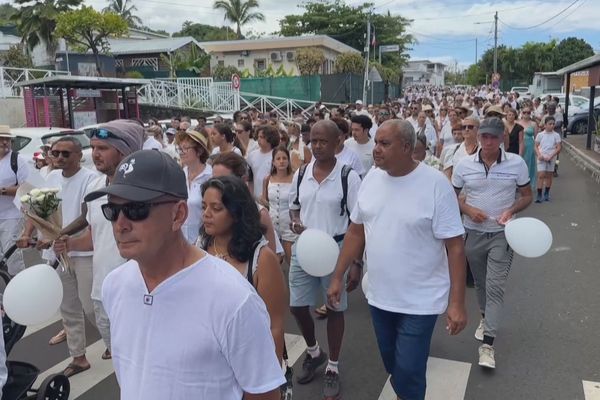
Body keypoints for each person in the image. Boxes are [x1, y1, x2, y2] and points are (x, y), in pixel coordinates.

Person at [84, 150, 285, 399]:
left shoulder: (233, 297)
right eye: (113, 210)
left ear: (178, 214)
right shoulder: (114, 286)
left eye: (136, 210)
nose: (120, 224)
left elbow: (263, 392)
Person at [328, 119, 467, 400]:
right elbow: (356, 232)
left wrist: (457, 303)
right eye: (376, 142)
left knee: (409, 369)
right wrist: (337, 276)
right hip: (380, 296)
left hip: (421, 300)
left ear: (406, 147)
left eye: (384, 143)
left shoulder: (436, 184)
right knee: (394, 366)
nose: (376, 149)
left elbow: (455, 247)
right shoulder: (371, 179)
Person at [53, 120, 143, 361]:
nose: (95, 154)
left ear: (123, 151)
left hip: (136, 290)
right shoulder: (95, 185)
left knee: (142, 358)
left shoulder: (145, 189)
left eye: (103, 148)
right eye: (93, 147)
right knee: (121, 363)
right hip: (102, 291)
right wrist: (68, 243)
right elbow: (95, 235)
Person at [288, 120, 362, 399]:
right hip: (303, 249)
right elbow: (295, 208)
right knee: (296, 306)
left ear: (337, 143)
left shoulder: (348, 177)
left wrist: (356, 263)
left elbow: (358, 224)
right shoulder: (302, 172)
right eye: (313, 141)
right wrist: (296, 222)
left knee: (334, 309)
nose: (317, 146)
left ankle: (332, 366)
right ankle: (314, 352)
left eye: (323, 142)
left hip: (335, 252)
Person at [452, 117, 533, 369]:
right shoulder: (464, 165)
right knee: (481, 283)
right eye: (484, 136)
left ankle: (487, 346)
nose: (487, 141)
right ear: (478, 137)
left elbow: (527, 195)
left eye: (493, 137)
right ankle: (486, 317)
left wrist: (511, 209)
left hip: (502, 234)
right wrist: (467, 209)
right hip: (473, 233)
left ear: (502, 139)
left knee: (495, 286)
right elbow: (451, 196)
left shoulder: (516, 164)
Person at [19, 136, 98, 377]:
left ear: (79, 156)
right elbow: (35, 210)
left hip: (84, 251)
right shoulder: (49, 177)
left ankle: (115, 345)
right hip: (57, 253)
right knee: (68, 308)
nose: (60, 157)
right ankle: (78, 357)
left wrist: (59, 234)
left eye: (66, 153)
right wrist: (28, 232)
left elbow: (87, 216)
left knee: (93, 307)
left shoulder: (90, 179)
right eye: (56, 153)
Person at [200, 175, 286, 366]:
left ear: (236, 213)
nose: (206, 213)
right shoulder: (198, 249)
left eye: (216, 208)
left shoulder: (262, 259)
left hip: (247, 361)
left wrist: (269, 387)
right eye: (203, 206)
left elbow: (274, 327)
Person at [211, 152, 281, 255]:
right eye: (214, 180)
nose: (217, 186)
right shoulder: (209, 211)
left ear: (242, 180)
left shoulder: (260, 214)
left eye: (224, 180)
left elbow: (273, 256)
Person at [0, 125, 29, 275]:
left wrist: (3, 190)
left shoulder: (17, 160)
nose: (4, 142)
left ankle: (19, 288)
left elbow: (27, 188)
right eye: (1, 139)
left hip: (12, 216)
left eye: (7, 139)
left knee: (12, 257)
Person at [176, 129, 212, 243]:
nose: (181, 152)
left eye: (185, 148)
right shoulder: (180, 174)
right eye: (179, 149)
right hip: (180, 241)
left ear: (200, 151)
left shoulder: (210, 176)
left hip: (203, 241)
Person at [262, 146, 296, 265]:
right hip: (272, 225)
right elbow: (264, 199)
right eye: (278, 159)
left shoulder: (295, 178)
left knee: (291, 261)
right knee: (273, 262)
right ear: (273, 162)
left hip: (289, 225)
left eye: (284, 158)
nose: (281, 161)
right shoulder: (267, 179)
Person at [247, 125, 280, 199]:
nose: (258, 139)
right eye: (258, 137)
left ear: (270, 138)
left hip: (273, 198)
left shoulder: (277, 155)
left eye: (262, 137)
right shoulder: (252, 155)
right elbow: (250, 178)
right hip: (256, 197)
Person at [534, 116, 562, 203]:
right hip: (542, 157)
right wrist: (539, 155)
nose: (552, 125)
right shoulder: (540, 135)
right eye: (550, 124)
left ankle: (546, 192)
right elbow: (536, 146)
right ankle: (539, 194)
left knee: (549, 175)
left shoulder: (556, 135)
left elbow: (558, 147)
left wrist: (552, 155)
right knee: (541, 175)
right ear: (545, 125)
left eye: (553, 124)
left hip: (551, 157)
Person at [518, 106, 538, 188]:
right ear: (521, 113)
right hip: (520, 145)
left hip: (530, 145)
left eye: (528, 112)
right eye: (524, 112)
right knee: (520, 164)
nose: (526, 114)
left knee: (530, 164)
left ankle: (530, 183)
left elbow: (536, 138)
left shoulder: (533, 124)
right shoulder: (518, 123)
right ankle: (520, 183)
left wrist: (536, 149)